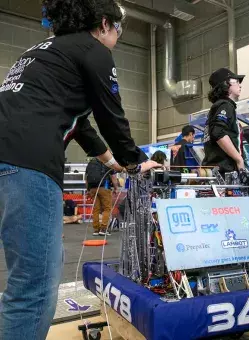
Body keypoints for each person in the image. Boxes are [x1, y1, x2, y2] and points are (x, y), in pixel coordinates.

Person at [0, 1, 160, 339]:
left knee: (34, 268)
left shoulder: (42, 52)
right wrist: (134, 162)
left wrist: (115, 165)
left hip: (8, 159)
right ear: (105, 25)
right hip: (27, 163)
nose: (117, 35)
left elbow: (83, 128)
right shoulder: (93, 50)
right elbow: (112, 116)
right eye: (118, 29)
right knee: (34, 287)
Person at [202, 68, 245, 173]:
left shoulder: (217, 107)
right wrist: (239, 160)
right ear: (226, 84)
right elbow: (218, 132)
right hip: (225, 172)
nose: (240, 85)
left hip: (216, 171)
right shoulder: (225, 105)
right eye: (237, 81)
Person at [86, 157, 117, 236]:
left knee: (96, 209)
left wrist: (88, 190)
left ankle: (96, 230)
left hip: (92, 188)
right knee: (107, 208)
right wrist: (116, 188)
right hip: (104, 187)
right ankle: (103, 229)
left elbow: (86, 178)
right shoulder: (107, 162)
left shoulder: (90, 163)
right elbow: (113, 177)